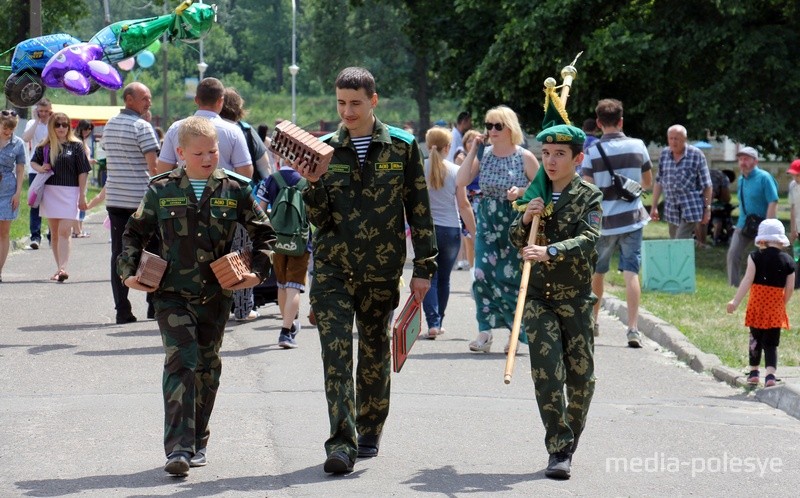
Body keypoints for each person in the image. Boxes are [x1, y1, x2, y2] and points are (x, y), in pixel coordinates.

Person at [297, 67, 437, 474]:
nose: (347, 111)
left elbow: (419, 211)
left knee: (374, 353)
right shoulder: (322, 149)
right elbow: (319, 220)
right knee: (336, 355)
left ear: (373, 100)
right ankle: (342, 442)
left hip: (380, 269)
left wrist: (424, 267)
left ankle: (369, 428)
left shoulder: (403, 147)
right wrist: (312, 184)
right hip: (333, 271)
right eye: (341, 103)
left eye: (355, 103)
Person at [117, 117, 275, 476]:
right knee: (180, 362)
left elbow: (265, 234)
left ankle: (198, 439)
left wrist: (256, 272)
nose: (208, 159)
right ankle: (178, 449)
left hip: (215, 296)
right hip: (171, 294)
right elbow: (133, 234)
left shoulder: (235, 189)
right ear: (180, 152)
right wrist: (129, 274)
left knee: (206, 368)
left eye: (214, 151)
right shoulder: (161, 189)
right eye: (200, 153)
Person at [510, 121, 602, 480]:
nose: (550, 161)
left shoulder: (589, 196)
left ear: (577, 158)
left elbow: (591, 237)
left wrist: (552, 250)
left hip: (576, 299)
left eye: (559, 154)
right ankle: (558, 447)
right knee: (548, 374)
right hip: (537, 300)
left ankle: (569, 439)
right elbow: (515, 240)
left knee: (581, 379)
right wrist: (526, 218)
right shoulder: (537, 194)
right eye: (546, 153)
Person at [157, 78, 257, 322]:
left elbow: (162, 169)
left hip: (184, 203)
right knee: (235, 255)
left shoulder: (176, 129)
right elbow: (246, 173)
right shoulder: (233, 130)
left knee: (187, 254)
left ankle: (186, 307)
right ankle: (242, 309)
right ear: (221, 102)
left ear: (196, 99)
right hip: (226, 204)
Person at [455, 105, 539, 353]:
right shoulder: (485, 155)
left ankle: (516, 332)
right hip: (487, 221)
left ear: (509, 128)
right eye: (488, 125)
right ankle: (484, 331)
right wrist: (473, 151)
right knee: (481, 275)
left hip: (514, 222)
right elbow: (461, 181)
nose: (491, 130)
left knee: (511, 278)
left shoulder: (524, 156)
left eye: (497, 126)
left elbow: (543, 189)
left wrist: (522, 192)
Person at [581, 98, 652, 347]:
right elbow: (647, 182)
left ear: (599, 123)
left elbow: (588, 186)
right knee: (631, 272)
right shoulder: (638, 146)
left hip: (603, 222)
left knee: (598, 272)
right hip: (632, 219)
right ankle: (633, 328)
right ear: (621, 120)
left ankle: (594, 320)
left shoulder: (591, 152)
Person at [102, 82, 160, 323]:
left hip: (116, 199)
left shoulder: (109, 126)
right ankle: (152, 305)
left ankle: (122, 309)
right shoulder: (143, 127)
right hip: (141, 201)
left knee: (120, 253)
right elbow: (154, 168)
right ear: (129, 99)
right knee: (153, 252)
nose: (149, 102)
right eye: (145, 98)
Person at [220, 87, 273, 323]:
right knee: (241, 256)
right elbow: (265, 169)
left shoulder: (200, 128)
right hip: (241, 203)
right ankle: (243, 309)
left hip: (205, 202)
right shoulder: (245, 131)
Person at [418, 126, 476, 340]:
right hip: (450, 229)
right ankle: (439, 321)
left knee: (428, 277)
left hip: (426, 230)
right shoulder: (454, 170)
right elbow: (463, 204)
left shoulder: (418, 169)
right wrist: (474, 231)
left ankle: (432, 322)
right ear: (448, 147)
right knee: (444, 278)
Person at [726, 219, 794, 388]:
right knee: (771, 343)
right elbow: (790, 288)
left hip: (757, 305)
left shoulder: (754, 257)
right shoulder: (788, 260)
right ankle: (770, 375)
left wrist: (735, 301)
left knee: (755, 339)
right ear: (780, 240)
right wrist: (782, 303)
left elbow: (747, 280)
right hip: (775, 308)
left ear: (762, 240)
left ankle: (754, 372)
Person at [30, 113, 91, 282]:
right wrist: (41, 168)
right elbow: (33, 162)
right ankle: (59, 268)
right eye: (58, 125)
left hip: (70, 193)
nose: (62, 128)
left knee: (65, 231)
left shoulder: (76, 146)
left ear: (69, 127)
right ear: (52, 127)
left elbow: (83, 171)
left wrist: (82, 195)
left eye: (65, 125)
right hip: (50, 192)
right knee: (55, 233)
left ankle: (63, 268)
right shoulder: (45, 146)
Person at [256, 164, 310, 349]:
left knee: (282, 284)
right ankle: (286, 331)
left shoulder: (271, 179)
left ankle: (289, 324)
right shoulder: (306, 181)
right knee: (294, 286)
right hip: (300, 241)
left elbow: (260, 210)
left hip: (277, 239)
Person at [726, 147, 778, 287]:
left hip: (763, 224)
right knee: (733, 253)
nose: (743, 162)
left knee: (767, 256)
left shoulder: (764, 177)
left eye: (746, 159)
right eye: (741, 159)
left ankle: (769, 285)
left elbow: (773, 201)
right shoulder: (742, 179)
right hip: (744, 224)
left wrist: (767, 228)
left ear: (755, 161)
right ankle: (733, 285)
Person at [649, 125, 712, 239]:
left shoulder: (696, 155)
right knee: (675, 244)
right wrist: (654, 206)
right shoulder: (664, 155)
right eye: (671, 138)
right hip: (671, 208)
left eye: (677, 138)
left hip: (690, 207)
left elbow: (707, 185)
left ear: (685, 139)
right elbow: (659, 181)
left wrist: (707, 209)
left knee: (680, 239)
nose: (673, 142)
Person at [22, 98, 52, 249]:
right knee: (35, 203)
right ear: (37, 110)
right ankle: (35, 237)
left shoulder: (53, 123)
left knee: (52, 203)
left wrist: (50, 121)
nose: (44, 114)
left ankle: (52, 235)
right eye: (41, 111)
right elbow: (26, 138)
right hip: (35, 169)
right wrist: (35, 120)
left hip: (51, 168)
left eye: (46, 111)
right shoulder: (31, 123)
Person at [0, 110, 27, 282]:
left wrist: (18, 192)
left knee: (3, 232)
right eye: (5, 129)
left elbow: (20, 168)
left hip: (8, 189)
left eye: (11, 130)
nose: (8, 132)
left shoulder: (18, 143)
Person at [453, 128, 481, 271]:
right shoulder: (461, 157)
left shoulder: (483, 156)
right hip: (467, 199)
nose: (473, 143)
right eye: (470, 140)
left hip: (481, 201)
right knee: (469, 238)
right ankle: (472, 270)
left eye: (476, 140)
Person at [73, 119, 96, 238]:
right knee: (79, 199)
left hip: (85, 173)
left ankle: (79, 228)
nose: (87, 131)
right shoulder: (77, 141)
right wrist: (89, 161)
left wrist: (90, 161)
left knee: (81, 199)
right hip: (79, 175)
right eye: (85, 129)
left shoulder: (83, 141)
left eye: (89, 129)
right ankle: (77, 229)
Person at [699, 168, 733, 246]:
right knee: (706, 217)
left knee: (698, 219)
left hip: (696, 192)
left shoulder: (711, 172)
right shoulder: (724, 178)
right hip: (709, 194)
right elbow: (726, 198)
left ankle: (698, 240)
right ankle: (703, 242)